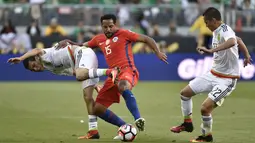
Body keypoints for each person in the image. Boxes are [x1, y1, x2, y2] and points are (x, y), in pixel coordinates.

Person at [57, 14, 168, 139]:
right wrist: (69, 42)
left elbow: (147, 39)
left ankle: (138, 118)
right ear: (102, 26)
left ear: (115, 24)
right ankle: (125, 127)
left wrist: (157, 52)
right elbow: (83, 45)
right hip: (113, 75)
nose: (108, 29)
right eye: (105, 27)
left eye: (111, 26)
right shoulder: (98, 39)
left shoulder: (125, 34)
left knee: (123, 85)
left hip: (128, 70)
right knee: (97, 109)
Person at [170, 7, 252, 142]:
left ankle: (206, 136)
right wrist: (247, 55)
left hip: (227, 79)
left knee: (205, 108)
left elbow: (232, 41)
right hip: (213, 74)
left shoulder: (225, 29)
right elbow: (239, 40)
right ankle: (187, 123)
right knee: (185, 93)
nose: (206, 25)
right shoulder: (216, 31)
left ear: (214, 20)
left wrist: (211, 50)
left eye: (206, 22)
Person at [7, 43, 119, 139]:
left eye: (34, 65)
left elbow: (36, 50)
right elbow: (76, 72)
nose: (36, 69)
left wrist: (21, 58)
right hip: (83, 63)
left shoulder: (44, 56)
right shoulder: (52, 68)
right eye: (33, 70)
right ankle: (93, 131)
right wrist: (94, 85)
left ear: (36, 58)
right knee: (87, 97)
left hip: (83, 53)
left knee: (80, 76)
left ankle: (109, 72)